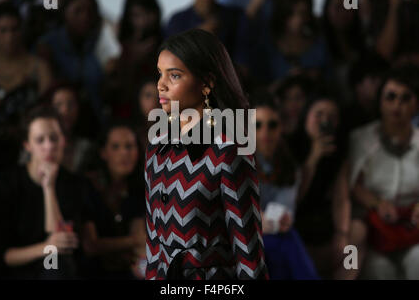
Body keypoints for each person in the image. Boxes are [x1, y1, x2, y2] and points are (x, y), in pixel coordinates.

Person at [145, 29, 268, 279]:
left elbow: (248, 250)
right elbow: (153, 245)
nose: (161, 85)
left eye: (175, 75)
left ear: (207, 83)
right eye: (160, 73)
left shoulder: (229, 148)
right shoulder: (156, 146)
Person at [0, 106, 94, 279]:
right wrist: (44, 247)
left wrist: (49, 188)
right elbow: (1, 255)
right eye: (40, 140)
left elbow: (59, 243)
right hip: (18, 269)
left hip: (55, 268)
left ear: (63, 141)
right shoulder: (7, 183)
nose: (49, 146)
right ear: (27, 145)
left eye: (54, 138)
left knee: (55, 263)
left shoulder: (74, 184)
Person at [349, 66, 419, 279]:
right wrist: (377, 203)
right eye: (390, 97)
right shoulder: (360, 139)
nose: (397, 105)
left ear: (416, 105)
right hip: (374, 229)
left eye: (405, 98)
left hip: (415, 228)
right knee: (377, 269)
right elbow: (351, 185)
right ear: (380, 102)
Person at [253, 96, 319, 280]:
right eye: (257, 125)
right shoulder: (234, 162)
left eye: (272, 125)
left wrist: (272, 221)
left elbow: (283, 213)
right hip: (244, 236)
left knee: (284, 239)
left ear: (281, 128)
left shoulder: (289, 168)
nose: (265, 132)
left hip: (274, 234)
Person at [290, 95, 351, 279]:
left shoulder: (340, 151)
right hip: (295, 221)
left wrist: (343, 234)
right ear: (306, 117)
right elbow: (294, 197)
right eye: (319, 114)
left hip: (324, 221)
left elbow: (342, 197)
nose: (325, 121)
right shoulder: (290, 146)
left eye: (332, 116)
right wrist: (313, 157)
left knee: (355, 239)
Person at [81, 121, 146, 279]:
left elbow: (139, 240)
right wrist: (133, 241)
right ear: (103, 153)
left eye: (129, 146)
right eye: (116, 147)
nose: (124, 153)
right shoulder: (88, 187)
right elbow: (90, 246)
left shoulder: (138, 188)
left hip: (126, 269)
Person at [37, 0, 105, 125]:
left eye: (90, 11)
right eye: (78, 10)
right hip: (57, 123)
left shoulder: (96, 43)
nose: (85, 17)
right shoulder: (48, 45)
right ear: (65, 12)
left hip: (92, 122)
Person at [0, 1, 52, 132]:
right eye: (3, 30)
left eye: (14, 29)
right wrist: (8, 87)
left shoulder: (39, 66)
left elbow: (47, 109)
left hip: (31, 137)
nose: (10, 37)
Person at [251, 0, 332, 85]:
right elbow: (257, 87)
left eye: (302, 13)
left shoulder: (319, 45)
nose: (297, 19)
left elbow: (330, 84)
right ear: (282, 13)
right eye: (291, 13)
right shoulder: (266, 44)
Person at [107, 0, 162, 120]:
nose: (143, 21)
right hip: (126, 115)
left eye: (147, 14)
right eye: (137, 15)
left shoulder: (166, 44)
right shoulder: (120, 46)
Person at [165, 0, 249, 62]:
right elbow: (170, 61)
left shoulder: (236, 17)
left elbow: (244, 64)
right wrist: (196, 37)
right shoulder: (177, 21)